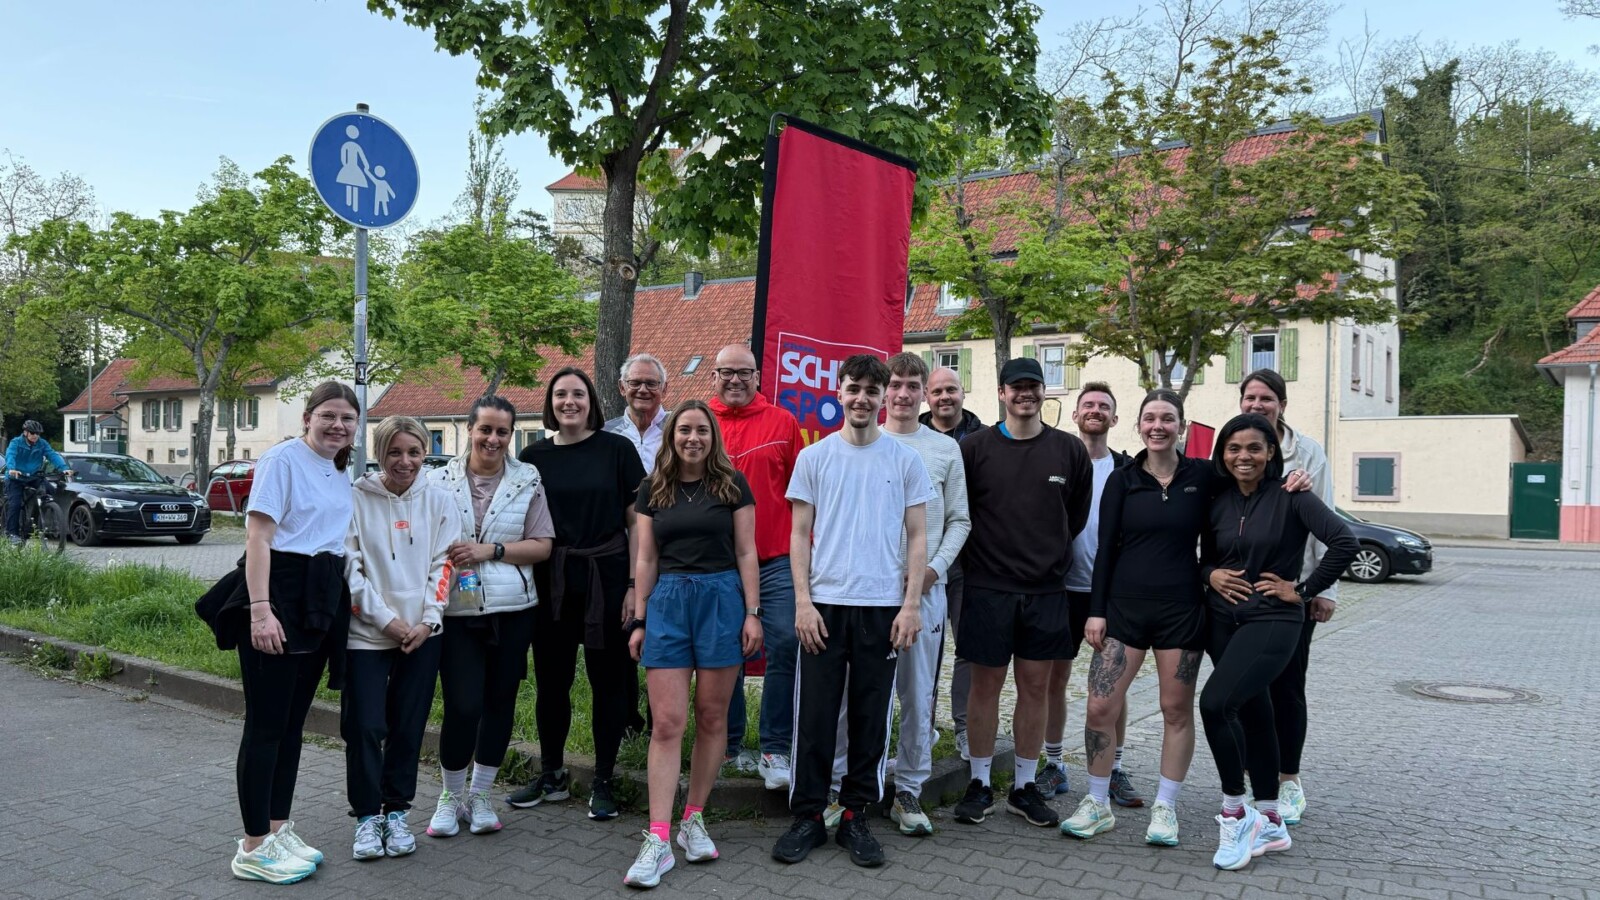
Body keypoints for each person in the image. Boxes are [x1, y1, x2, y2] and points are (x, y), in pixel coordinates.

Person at [194, 382, 359, 884]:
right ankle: (251, 845)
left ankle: (277, 827)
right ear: (307, 417)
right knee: (265, 727)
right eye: (328, 415)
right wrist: (261, 611)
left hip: (318, 598)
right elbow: (259, 537)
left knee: (292, 726)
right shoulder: (282, 461)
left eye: (347, 419)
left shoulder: (338, 468)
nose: (338, 425)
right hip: (278, 592)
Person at [771, 354, 930, 868]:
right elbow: (798, 534)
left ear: (884, 398)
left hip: (882, 608)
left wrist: (909, 606)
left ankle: (857, 815)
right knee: (814, 717)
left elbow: (918, 535)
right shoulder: (815, 458)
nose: (862, 398)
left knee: (868, 719)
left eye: (871, 390)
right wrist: (802, 602)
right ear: (837, 393)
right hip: (823, 606)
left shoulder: (905, 460)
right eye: (853, 388)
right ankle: (809, 816)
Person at [1199, 413, 1356, 871]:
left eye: (1253, 448)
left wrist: (1303, 590)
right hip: (1221, 618)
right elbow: (1204, 557)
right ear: (1222, 454)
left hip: (1273, 619)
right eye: (1234, 448)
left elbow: (1344, 541)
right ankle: (1268, 816)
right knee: (1255, 710)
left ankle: (1234, 812)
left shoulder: (1293, 496)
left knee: (1215, 704)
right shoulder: (1218, 499)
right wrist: (1209, 574)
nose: (1243, 456)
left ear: (1271, 452)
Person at [822, 353, 969, 837]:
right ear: (885, 392)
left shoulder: (945, 450)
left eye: (913, 385)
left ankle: (908, 787)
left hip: (924, 594)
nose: (904, 393)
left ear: (925, 393)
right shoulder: (862, 443)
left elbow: (958, 520)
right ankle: (842, 785)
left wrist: (932, 570)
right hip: (870, 592)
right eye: (898, 384)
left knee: (916, 691)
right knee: (853, 692)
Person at [621, 400, 762, 888]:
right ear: (672, 435)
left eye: (702, 430)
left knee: (712, 717)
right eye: (684, 430)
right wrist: (639, 619)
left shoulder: (732, 485)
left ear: (713, 436)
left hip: (722, 599)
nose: (693, 438)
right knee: (667, 723)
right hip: (668, 603)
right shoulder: (651, 489)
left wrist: (751, 612)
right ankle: (657, 838)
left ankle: (693, 819)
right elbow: (645, 560)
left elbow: (747, 551)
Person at [953, 357, 1092, 830]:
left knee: (1035, 688)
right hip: (988, 588)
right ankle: (978, 782)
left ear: (1044, 392)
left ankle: (1024, 786)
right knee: (984, 688)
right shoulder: (974, 448)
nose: (1025, 395)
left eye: (1033, 387)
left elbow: (1073, 517)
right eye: (1017, 387)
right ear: (1001, 393)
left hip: (1046, 590)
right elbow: (962, 515)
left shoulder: (1069, 451)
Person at [1062, 389, 1206, 847]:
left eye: (1167, 418)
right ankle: (1097, 803)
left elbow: (1248, 497)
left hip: (1181, 612)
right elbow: (1105, 550)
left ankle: (1165, 807)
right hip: (1123, 610)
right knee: (1100, 706)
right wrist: (1097, 611)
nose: (1158, 425)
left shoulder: (1203, 478)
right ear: (1139, 425)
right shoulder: (1122, 480)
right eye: (1150, 418)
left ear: (1181, 425)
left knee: (1175, 709)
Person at [510, 368, 647, 820]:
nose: (570, 401)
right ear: (550, 403)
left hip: (607, 580)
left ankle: (603, 779)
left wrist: (633, 586)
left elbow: (638, 524)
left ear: (592, 400)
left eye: (579, 394)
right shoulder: (533, 457)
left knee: (607, 683)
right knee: (553, 682)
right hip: (552, 582)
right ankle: (551, 773)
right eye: (561, 394)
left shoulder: (618, 450)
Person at [426, 396, 555, 839]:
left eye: (503, 431)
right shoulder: (438, 480)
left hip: (512, 610)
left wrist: (492, 551)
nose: (494, 439)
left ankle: (481, 795)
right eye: (486, 429)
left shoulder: (527, 479)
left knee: (499, 704)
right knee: (462, 705)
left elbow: (542, 545)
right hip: (457, 612)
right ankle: (450, 797)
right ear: (469, 430)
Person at [342, 415, 455, 861]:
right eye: (394, 452)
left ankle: (397, 811)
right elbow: (349, 569)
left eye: (413, 451)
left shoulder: (440, 499)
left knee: (408, 727)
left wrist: (428, 620)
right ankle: (367, 817)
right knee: (365, 726)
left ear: (425, 452)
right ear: (380, 453)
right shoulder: (356, 498)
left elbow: (443, 565)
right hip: (367, 634)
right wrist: (385, 620)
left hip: (422, 634)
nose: (404, 461)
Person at [1239, 368, 1335, 825]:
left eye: (1266, 399)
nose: (1257, 405)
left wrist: (1317, 590)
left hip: (1291, 595)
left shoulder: (1306, 452)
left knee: (1287, 688)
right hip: (1239, 593)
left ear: (1281, 405)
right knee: (1242, 689)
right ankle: (1247, 774)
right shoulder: (1234, 445)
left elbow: (1327, 522)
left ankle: (1289, 779)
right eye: (1250, 398)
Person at [707, 343, 804, 788]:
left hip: (776, 559)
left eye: (744, 373)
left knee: (785, 645)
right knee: (728, 653)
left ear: (758, 378)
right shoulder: (700, 423)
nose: (735, 380)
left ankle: (775, 749)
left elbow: (798, 493)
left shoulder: (782, 422)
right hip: (721, 563)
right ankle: (727, 745)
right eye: (726, 372)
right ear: (714, 376)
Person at [1038, 384, 1137, 804]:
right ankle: (1055, 763)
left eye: (1104, 407)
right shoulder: (1057, 460)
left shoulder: (1130, 470)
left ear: (1115, 419)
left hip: (1112, 594)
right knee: (1053, 681)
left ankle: (1113, 768)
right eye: (1088, 405)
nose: (1095, 411)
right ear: (1075, 415)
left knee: (1112, 687)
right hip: (1061, 588)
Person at [918, 366, 985, 761]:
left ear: (963, 393)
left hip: (969, 560)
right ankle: (921, 726)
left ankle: (963, 726)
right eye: (937, 391)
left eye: (952, 390)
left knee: (968, 648)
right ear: (927, 396)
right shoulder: (911, 437)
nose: (945, 397)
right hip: (923, 562)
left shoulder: (983, 439)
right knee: (921, 651)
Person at [4, 420, 67, 544]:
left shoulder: (42, 444)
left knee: (50, 490)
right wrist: (11, 468)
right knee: (15, 504)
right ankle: (12, 533)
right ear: (25, 432)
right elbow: (10, 455)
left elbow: (52, 455)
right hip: (15, 477)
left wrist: (64, 468)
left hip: (32, 476)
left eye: (38, 433)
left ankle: (43, 512)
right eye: (33, 433)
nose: (35, 436)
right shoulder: (16, 442)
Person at [605, 353, 671, 472]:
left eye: (651, 384)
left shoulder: (679, 431)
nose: (643, 390)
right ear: (622, 387)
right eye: (635, 383)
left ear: (664, 389)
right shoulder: (605, 434)